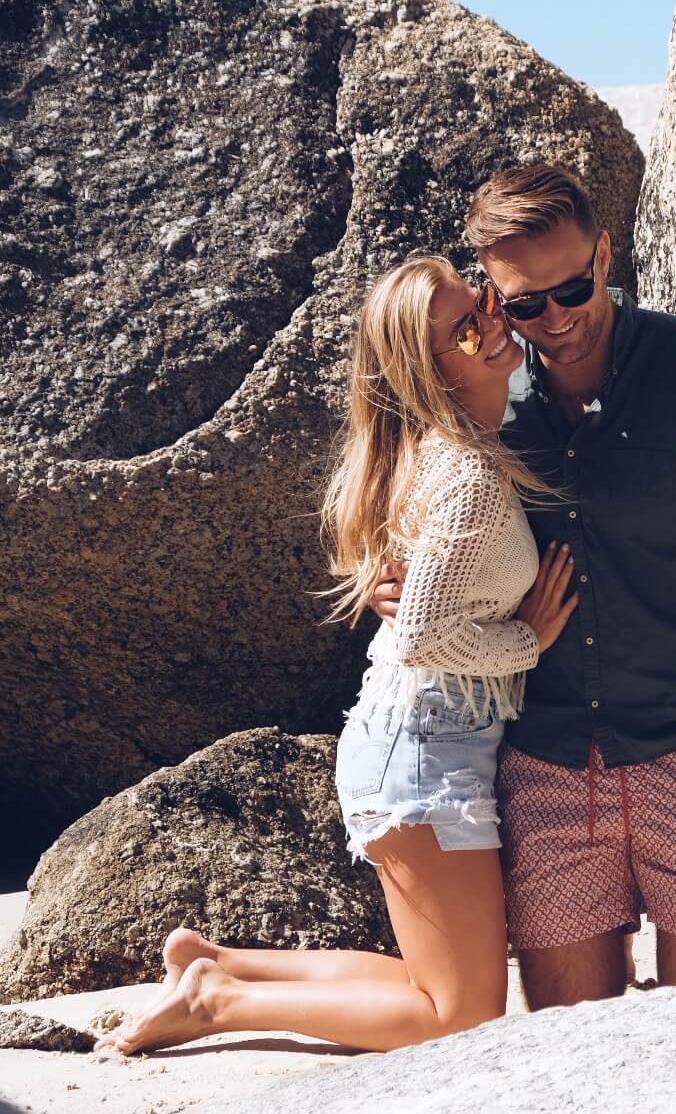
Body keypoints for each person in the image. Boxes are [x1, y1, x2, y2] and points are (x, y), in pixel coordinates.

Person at [97, 255, 577, 1054]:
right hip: (425, 756)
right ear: (428, 371)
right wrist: (529, 639)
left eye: (486, 303)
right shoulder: (466, 474)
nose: (493, 323)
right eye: (466, 327)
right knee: (458, 1017)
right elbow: (422, 633)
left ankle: (216, 964)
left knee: (441, 989)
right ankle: (217, 1003)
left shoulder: (448, 448)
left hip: (414, 743)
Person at [374, 165, 676, 1009]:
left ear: (606, 252)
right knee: (571, 1063)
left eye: (573, 287)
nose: (556, 317)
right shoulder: (482, 394)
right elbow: (394, 492)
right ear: (489, 296)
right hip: (542, 769)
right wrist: (386, 582)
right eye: (524, 304)